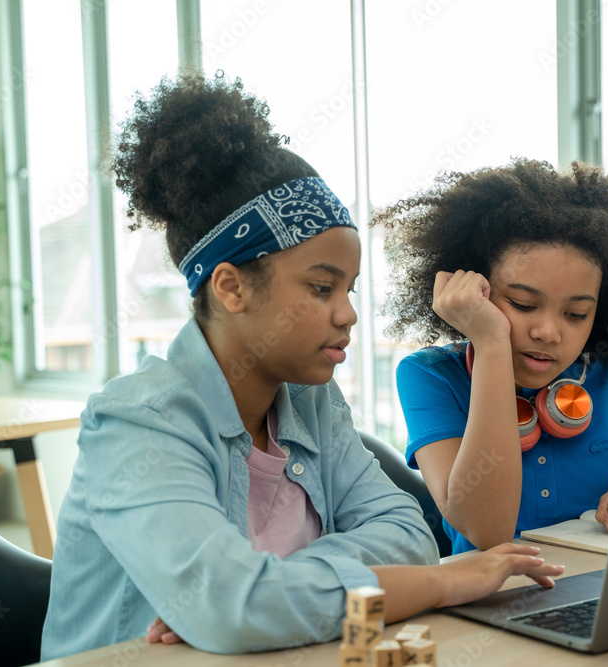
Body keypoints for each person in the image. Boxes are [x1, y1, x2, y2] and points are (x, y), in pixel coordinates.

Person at [40, 75, 564, 660]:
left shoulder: (312, 401)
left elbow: (410, 535)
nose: (347, 315)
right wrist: (438, 583)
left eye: (349, 288)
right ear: (232, 287)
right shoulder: (138, 423)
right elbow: (231, 608)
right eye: (321, 287)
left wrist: (267, 588)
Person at [372, 159, 608, 555]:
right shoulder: (430, 377)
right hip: (492, 603)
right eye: (523, 305)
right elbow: (486, 532)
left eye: (576, 314)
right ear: (479, 291)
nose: (549, 332)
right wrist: (490, 343)